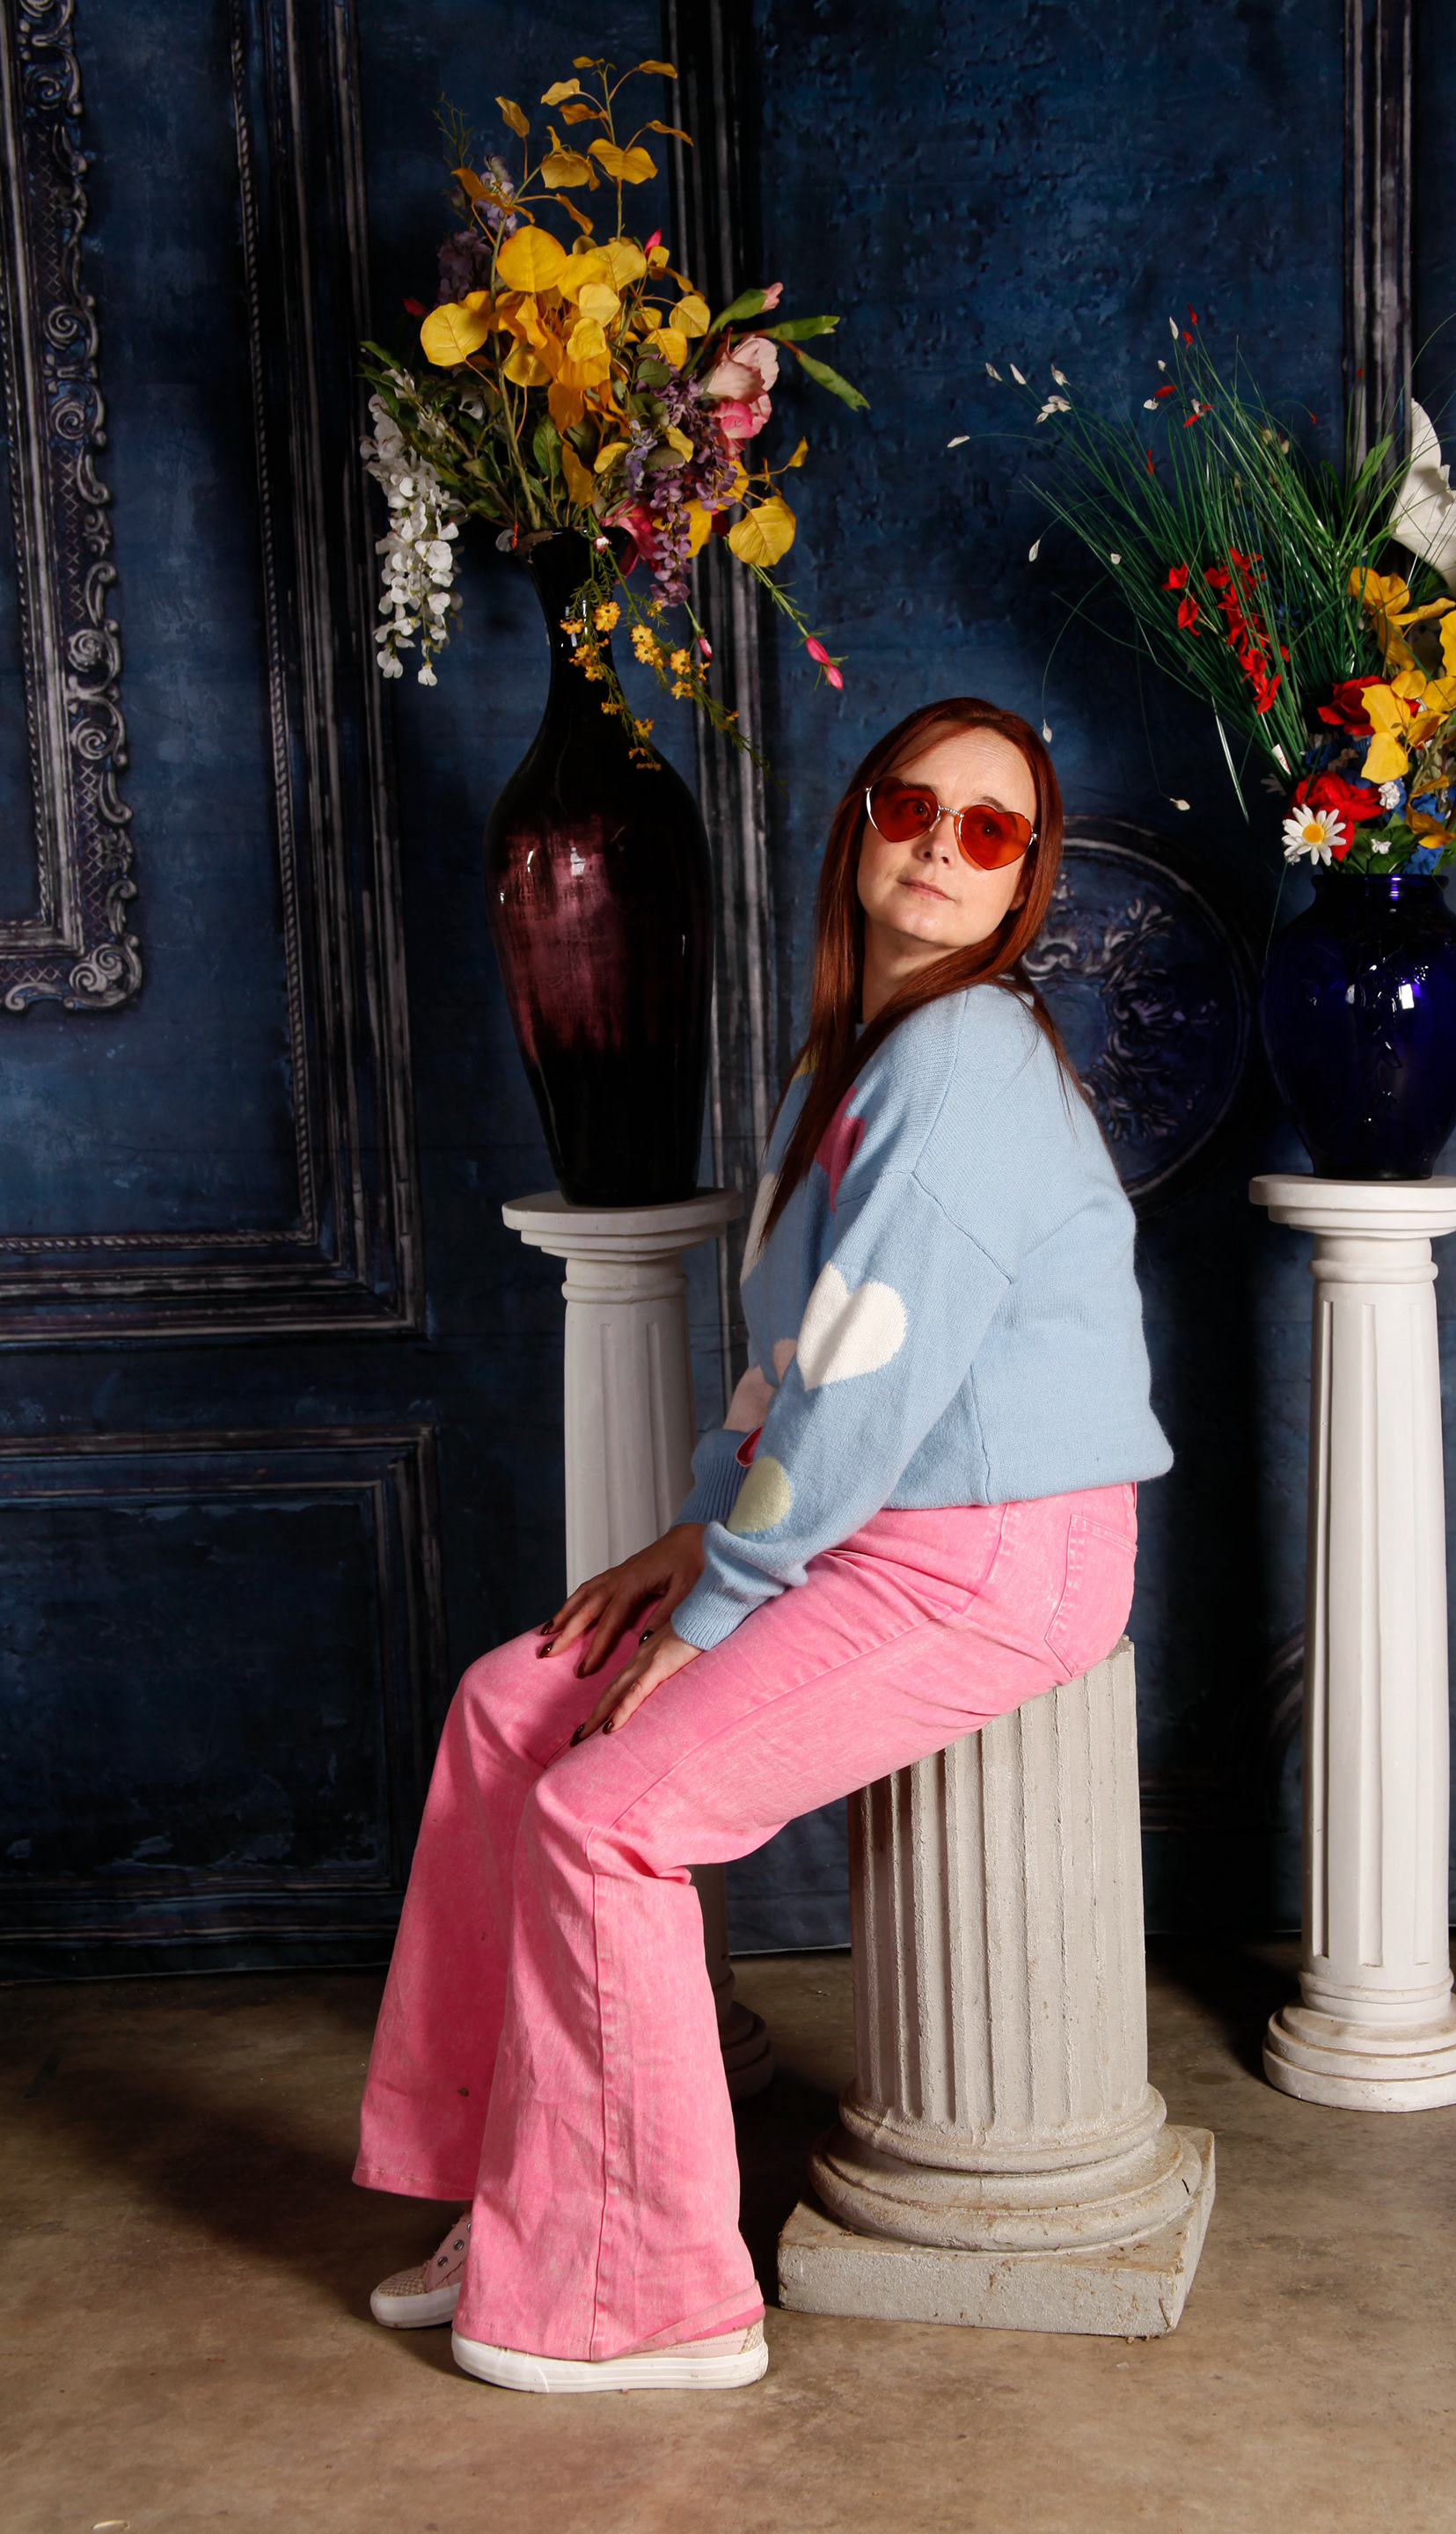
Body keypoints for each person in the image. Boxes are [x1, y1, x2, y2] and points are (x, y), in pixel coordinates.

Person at [354, 697, 1172, 2392]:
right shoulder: (843, 1067)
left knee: (606, 1815)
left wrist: (721, 1603)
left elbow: (870, 1383)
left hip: (992, 1553)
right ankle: (519, 2200)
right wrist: (694, 1531)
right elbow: (798, 1362)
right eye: (911, 808)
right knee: (511, 1709)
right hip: (876, 1524)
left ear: (1023, 883)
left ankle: (654, 2298)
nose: (941, 848)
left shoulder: (966, 1057)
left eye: (990, 831)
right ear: (860, 823)